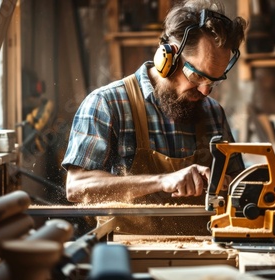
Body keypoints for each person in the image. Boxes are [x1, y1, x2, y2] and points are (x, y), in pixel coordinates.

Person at [61, 0, 247, 235]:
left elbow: (241, 187)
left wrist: (226, 184)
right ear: (166, 59)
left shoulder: (212, 112)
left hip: (204, 257)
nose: (205, 91)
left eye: (214, 80)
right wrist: (162, 181)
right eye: (197, 77)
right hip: (127, 259)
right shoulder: (107, 104)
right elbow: (77, 188)